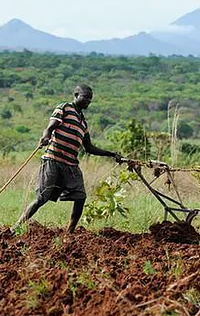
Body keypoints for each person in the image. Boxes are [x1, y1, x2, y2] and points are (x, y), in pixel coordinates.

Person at [13, 84, 122, 233]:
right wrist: (45, 136)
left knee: (81, 197)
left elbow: (89, 148)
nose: (88, 101)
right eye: (85, 97)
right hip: (53, 159)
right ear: (76, 95)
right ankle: (16, 227)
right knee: (41, 198)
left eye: (90, 99)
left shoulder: (83, 123)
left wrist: (111, 154)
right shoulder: (64, 108)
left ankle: (69, 233)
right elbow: (50, 127)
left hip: (70, 165)